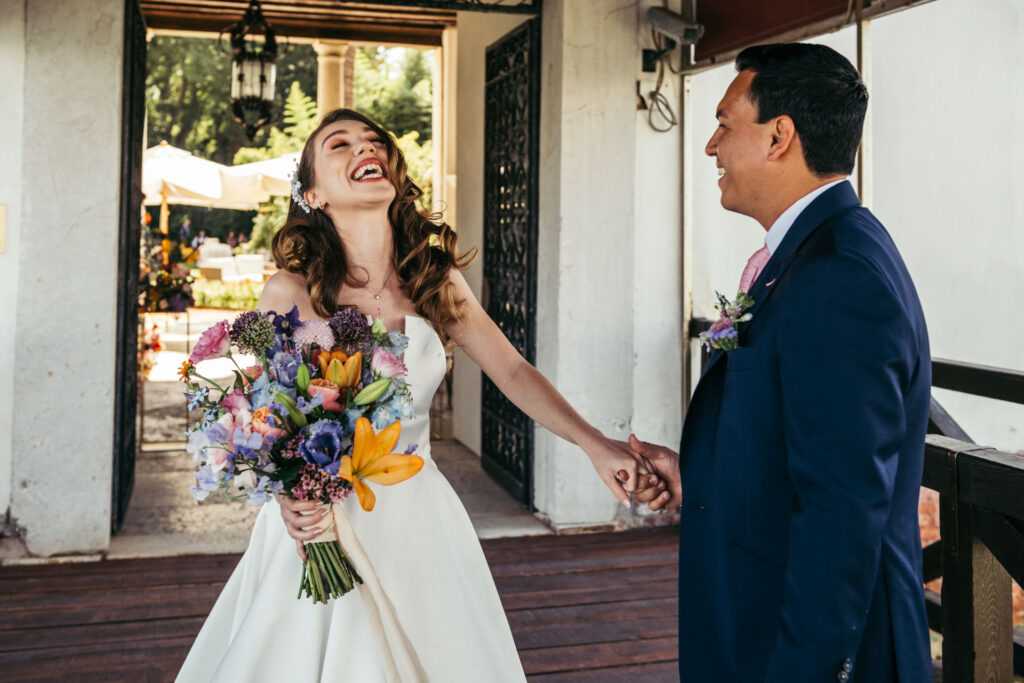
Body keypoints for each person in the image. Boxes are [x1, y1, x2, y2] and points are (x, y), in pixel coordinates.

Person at [177, 109, 646, 682]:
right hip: (321, 518)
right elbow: (264, 417)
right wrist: (287, 498)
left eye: (373, 141)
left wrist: (595, 444)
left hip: (417, 514)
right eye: (339, 145)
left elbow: (514, 371)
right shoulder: (286, 290)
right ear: (314, 193)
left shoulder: (434, 278)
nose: (363, 149)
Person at [630, 43, 932, 682]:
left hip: (801, 645)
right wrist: (699, 472)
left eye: (724, 124)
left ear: (779, 137)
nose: (710, 145)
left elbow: (842, 511)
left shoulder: (838, 276)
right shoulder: (810, 252)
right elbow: (799, 440)